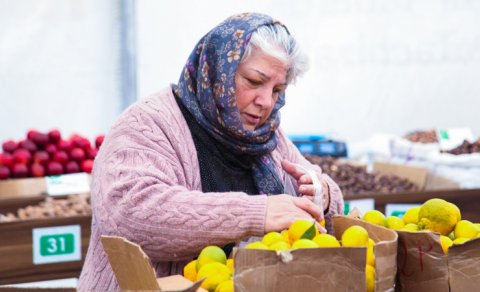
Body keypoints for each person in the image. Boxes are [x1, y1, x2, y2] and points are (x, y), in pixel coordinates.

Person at [78, 12, 343, 291]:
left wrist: (322, 193)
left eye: (277, 90)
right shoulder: (147, 124)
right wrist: (256, 214)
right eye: (254, 81)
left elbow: (325, 195)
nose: (266, 101)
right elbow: (129, 214)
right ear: (218, 70)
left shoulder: (265, 137)